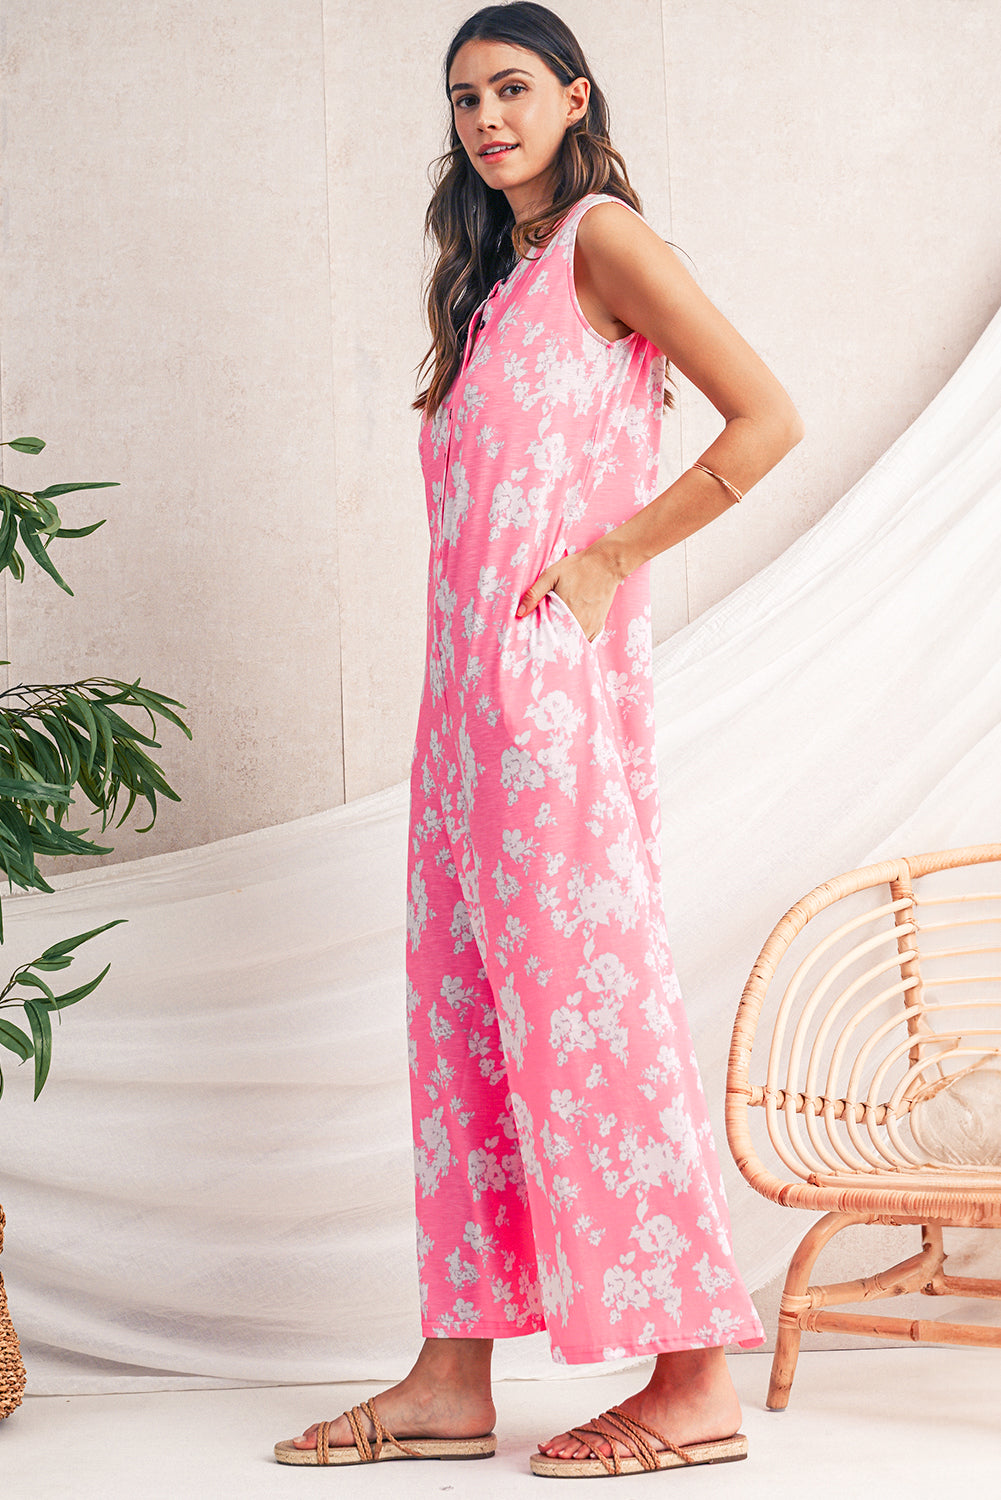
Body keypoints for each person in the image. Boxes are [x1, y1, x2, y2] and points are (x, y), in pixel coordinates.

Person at [275, 1, 803, 1478]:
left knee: (592, 1018)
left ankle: (691, 1378)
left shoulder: (601, 243)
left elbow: (765, 419)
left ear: (575, 96)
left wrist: (608, 559)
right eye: (464, 99)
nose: (486, 119)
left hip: (548, 708)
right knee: (462, 1030)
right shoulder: (490, 281)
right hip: (460, 719)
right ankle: (454, 1374)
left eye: (512, 88)